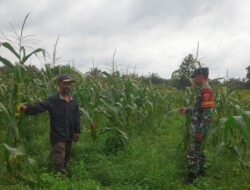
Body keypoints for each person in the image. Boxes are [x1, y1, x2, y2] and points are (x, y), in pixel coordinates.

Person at [20, 74, 81, 174]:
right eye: (65, 83)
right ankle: (59, 180)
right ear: (59, 84)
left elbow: (76, 116)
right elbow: (40, 107)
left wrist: (77, 131)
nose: (68, 86)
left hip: (70, 134)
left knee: (67, 157)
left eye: (69, 83)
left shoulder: (73, 101)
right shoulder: (53, 100)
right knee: (59, 160)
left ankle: (63, 176)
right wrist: (27, 108)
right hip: (58, 135)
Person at [179, 67, 214, 184]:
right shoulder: (202, 89)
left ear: (201, 76)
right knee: (199, 149)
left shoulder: (206, 90)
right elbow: (199, 110)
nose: (193, 78)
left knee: (192, 151)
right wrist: (188, 110)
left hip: (199, 127)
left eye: (195, 76)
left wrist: (201, 132)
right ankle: (201, 171)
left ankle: (192, 176)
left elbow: (207, 114)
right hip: (197, 126)